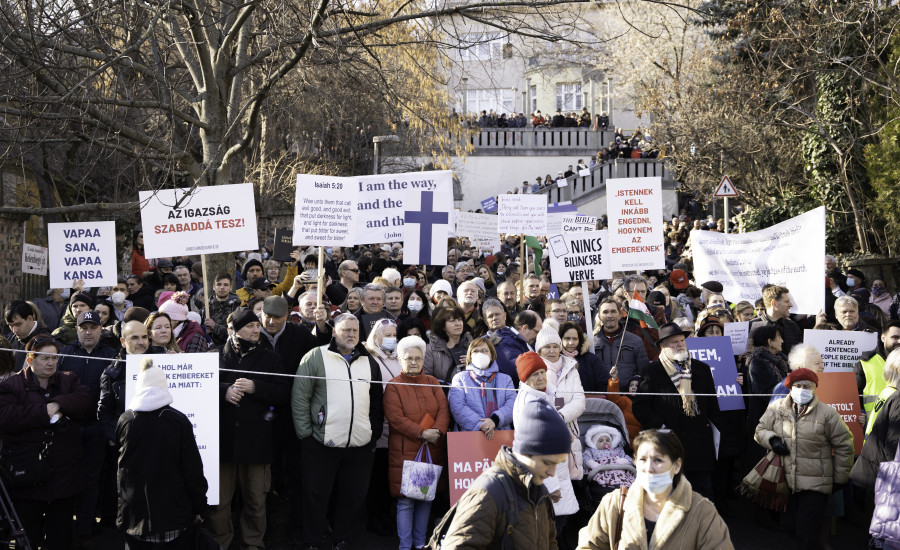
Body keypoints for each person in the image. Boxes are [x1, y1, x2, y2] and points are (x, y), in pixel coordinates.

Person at [292, 313, 384, 550]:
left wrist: (372, 434)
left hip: (360, 445)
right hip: (321, 443)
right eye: (346, 330)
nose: (351, 334)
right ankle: (313, 539)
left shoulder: (369, 360)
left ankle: (343, 538)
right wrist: (306, 435)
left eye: (355, 330)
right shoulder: (316, 356)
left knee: (353, 496)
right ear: (334, 331)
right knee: (316, 495)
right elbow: (301, 397)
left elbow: (376, 401)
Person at [438, 397, 570, 549]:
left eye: (557, 463)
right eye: (547, 462)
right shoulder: (488, 493)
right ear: (526, 452)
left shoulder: (540, 493)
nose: (552, 473)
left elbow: (550, 543)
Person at [0, 335, 94, 550]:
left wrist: (58, 402)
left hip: (64, 477)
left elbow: (85, 401)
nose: (51, 363)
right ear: (30, 360)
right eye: (44, 358)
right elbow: (6, 417)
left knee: (60, 538)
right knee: (28, 538)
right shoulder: (12, 386)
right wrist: (45, 412)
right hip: (26, 477)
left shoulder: (68, 380)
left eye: (54, 358)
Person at [208, 307, 290, 550]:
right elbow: (199, 387)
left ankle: (253, 543)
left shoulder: (271, 358)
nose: (257, 329)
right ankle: (221, 542)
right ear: (234, 329)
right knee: (219, 502)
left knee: (256, 499)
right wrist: (224, 391)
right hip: (223, 443)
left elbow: (284, 393)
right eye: (250, 326)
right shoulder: (214, 356)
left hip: (257, 443)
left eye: (257, 325)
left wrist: (257, 388)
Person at [576, 429, 733, 550]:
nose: (649, 468)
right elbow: (589, 545)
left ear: (676, 466)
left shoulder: (702, 511)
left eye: (658, 460)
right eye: (643, 460)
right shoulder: (615, 503)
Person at [755, 368, 854, 549]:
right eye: (798, 385)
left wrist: (840, 479)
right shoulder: (777, 408)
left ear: (815, 388)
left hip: (815, 483)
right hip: (786, 482)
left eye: (806, 386)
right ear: (790, 388)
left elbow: (844, 445)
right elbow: (760, 430)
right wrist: (773, 440)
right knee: (789, 526)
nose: (802, 389)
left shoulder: (827, 413)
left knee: (806, 533)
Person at [116, 357, 208, 549]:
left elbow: (120, 471)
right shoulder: (178, 421)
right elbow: (192, 469)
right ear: (164, 386)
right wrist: (200, 506)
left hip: (135, 519)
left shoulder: (125, 420)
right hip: (175, 517)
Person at [632, 322, 720, 500]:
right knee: (668, 496)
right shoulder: (652, 372)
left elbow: (712, 405)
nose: (680, 344)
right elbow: (640, 407)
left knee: (703, 494)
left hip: (699, 445)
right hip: (667, 444)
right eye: (674, 342)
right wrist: (662, 425)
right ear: (663, 347)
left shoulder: (701, 369)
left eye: (682, 340)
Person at [384, 336, 450, 550]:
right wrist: (422, 433)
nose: (414, 362)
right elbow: (395, 418)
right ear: (400, 360)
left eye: (418, 358)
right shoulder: (393, 386)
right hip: (405, 451)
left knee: (425, 498)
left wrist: (437, 431)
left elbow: (443, 410)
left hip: (432, 448)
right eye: (409, 358)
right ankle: (405, 546)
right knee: (406, 501)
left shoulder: (432, 382)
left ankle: (420, 544)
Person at [514, 351, 580, 532]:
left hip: (556, 473)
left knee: (556, 528)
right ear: (526, 379)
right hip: (547, 479)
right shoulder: (531, 403)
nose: (541, 377)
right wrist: (551, 487)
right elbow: (535, 450)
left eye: (542, 371)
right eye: (534, 374)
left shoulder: (545, 395)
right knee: (549, 531)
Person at [851, 348, 900, 492]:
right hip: (884, 476)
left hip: (873, 467)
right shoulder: (897, 398)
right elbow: (894, 445)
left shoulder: (888, 391)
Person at [448, 338, 516, 438]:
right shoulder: (460, 378)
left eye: (485, 351)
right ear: (470, 356)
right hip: (469, 437)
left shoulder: (506, 379)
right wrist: (483, 426)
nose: (480, 354)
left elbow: (512, 404)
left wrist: (495, 420)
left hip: (502, 435)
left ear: (491, 355)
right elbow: (458, 407)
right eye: (475, 351)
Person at [593, 298, 649, 384]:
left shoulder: (635, 341)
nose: (609, 315)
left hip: (627, 394)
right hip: (601, 394)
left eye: (613, 311)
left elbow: (644, 372)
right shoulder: (592, 342)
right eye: (605, 312)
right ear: (599, 316)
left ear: (620, 315)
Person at [747, 325, 789, 433]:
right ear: (770, 342)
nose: (782, 341)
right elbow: (763, 392)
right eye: (779, 337)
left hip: (781, 413)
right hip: (764, 417)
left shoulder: (781, 360)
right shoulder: (757, 362)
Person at [424, 305, 472, 386]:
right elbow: (426, 377)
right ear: (443, 326)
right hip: (441, 394)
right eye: (452, 321)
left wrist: (472, 363)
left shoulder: (472, 347)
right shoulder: (432, 349)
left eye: (460, 320)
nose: (458, 324)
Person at [748, 285, 802, 355]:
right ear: (774, 303)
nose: (791, 305)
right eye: (786, 301)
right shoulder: (751, 326)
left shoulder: (792, 326)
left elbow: (799, 356)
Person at [559, 321, 608, 393]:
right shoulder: (555, 359)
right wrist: (559, 404)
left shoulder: (592, 360)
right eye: (567, 338)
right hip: (561, 402)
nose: (571, 343)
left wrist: (594, 400)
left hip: (587, 402)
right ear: (560, 339)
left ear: (580, 340)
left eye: (574, 339)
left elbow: (603, 384)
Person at [201, 273, 241, 347]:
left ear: (230, 288)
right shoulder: (206, 309)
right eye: (219, 284)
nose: (222, 287)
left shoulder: (237, 309)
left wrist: (215, 327)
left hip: (231, 349)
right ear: (213, 287)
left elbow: (239, 334)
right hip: (209, 351)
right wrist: (204, 331)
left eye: (226, 285)